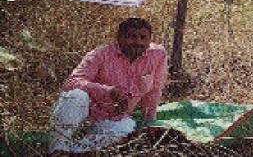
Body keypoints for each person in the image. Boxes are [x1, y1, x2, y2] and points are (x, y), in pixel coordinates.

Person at [48, 18, 167, 154]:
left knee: (126, 130)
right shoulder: (100, 54)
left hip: (115, 119)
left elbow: (154, 91)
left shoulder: (158, 55)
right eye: (132, 36)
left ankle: (74, 152)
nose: (138, 42)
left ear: (150, 38)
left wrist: (149, 122)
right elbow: (72, 82)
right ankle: (57, 149)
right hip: (87, 113)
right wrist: (108, 91)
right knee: (74, 96)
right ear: (120, 37)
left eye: (143, 37)